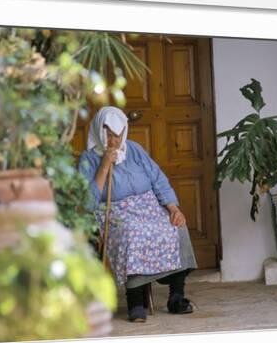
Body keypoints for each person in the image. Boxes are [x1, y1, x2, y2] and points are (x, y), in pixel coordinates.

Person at [78, 106, 198, 322]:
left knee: (176, 226)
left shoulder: (134, 150)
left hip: (149, 208)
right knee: (132, 232)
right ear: (98, 130)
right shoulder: (88, 159)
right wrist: (104, 165)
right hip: (116, 212)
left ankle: (176, 297)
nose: (114, 140)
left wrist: (173, 208)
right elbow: (87, 203)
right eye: (109, 134)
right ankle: (135, 301)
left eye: (118, 134)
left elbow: (158, 179)